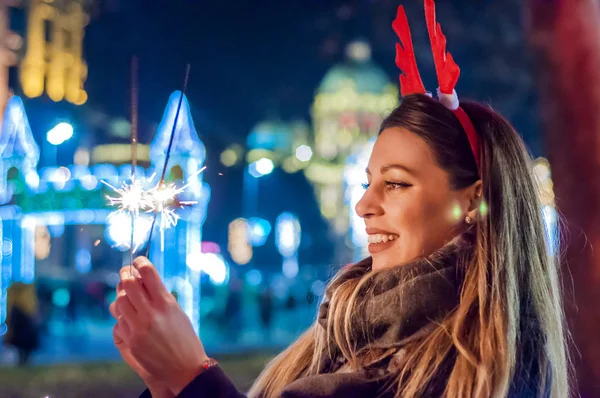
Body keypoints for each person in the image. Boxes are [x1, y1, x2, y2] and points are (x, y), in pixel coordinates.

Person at [110, 1, 570, 397]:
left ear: (472, 201)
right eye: (367, 182)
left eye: (395, 183)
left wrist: (193, 378)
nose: (363, 206)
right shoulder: (335, 334)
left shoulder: (473, 365)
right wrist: (166, 381)